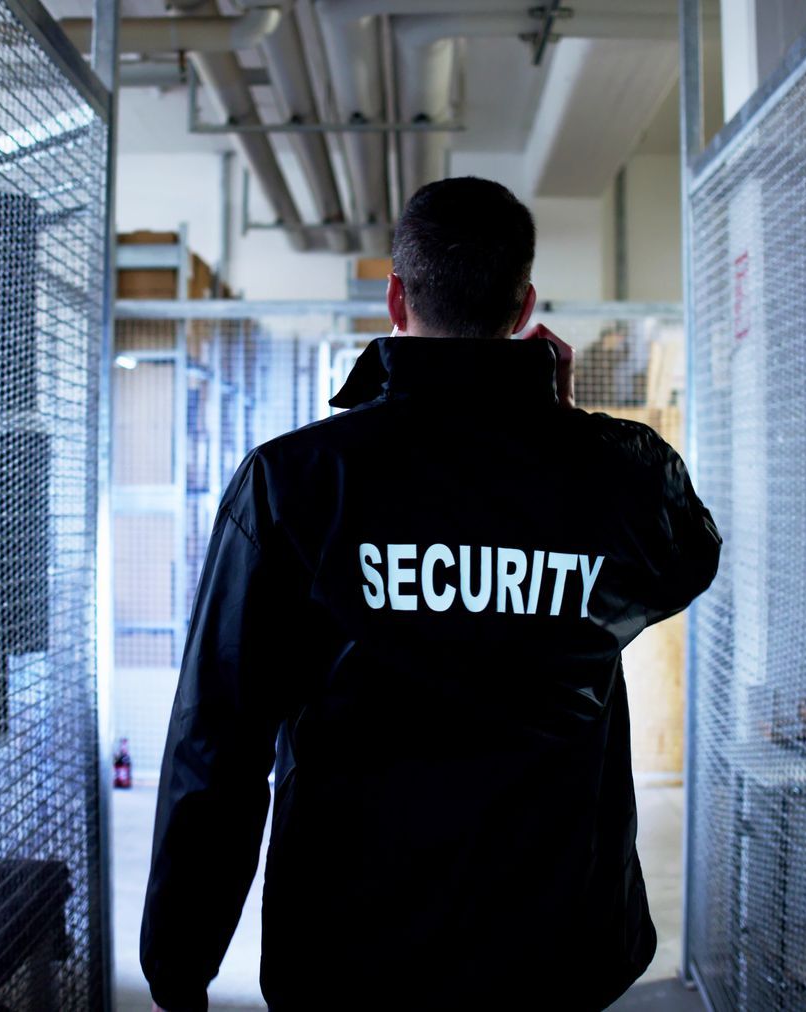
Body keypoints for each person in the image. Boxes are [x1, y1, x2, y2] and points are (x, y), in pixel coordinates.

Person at [140, 177, 722, 1012]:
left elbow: (217, 742)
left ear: (395, 296)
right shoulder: (623, 475)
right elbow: (686, 562)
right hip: (556, 945)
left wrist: (178, 967)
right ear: (524, 306)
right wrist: (568, 430)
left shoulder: (294, 483)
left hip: (348, 948)